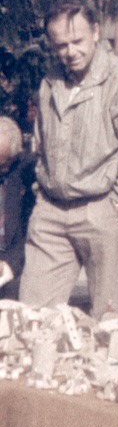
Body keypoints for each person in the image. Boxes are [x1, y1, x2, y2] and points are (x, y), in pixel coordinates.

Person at [19, 0, 118, 320]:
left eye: (77, 41)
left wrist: (117, 203)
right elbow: (40, 144)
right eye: (61, 45)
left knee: (106, 319)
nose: (70, 52)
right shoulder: (50, 82)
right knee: (32, 317)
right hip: (51, 214)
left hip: (101, 211)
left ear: (96, 32)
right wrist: (43, 195)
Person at [0, 117, 33, 295]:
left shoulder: (29, 172)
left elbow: (33, 230)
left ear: (14, 157)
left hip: (15, 260)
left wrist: (11, 263)